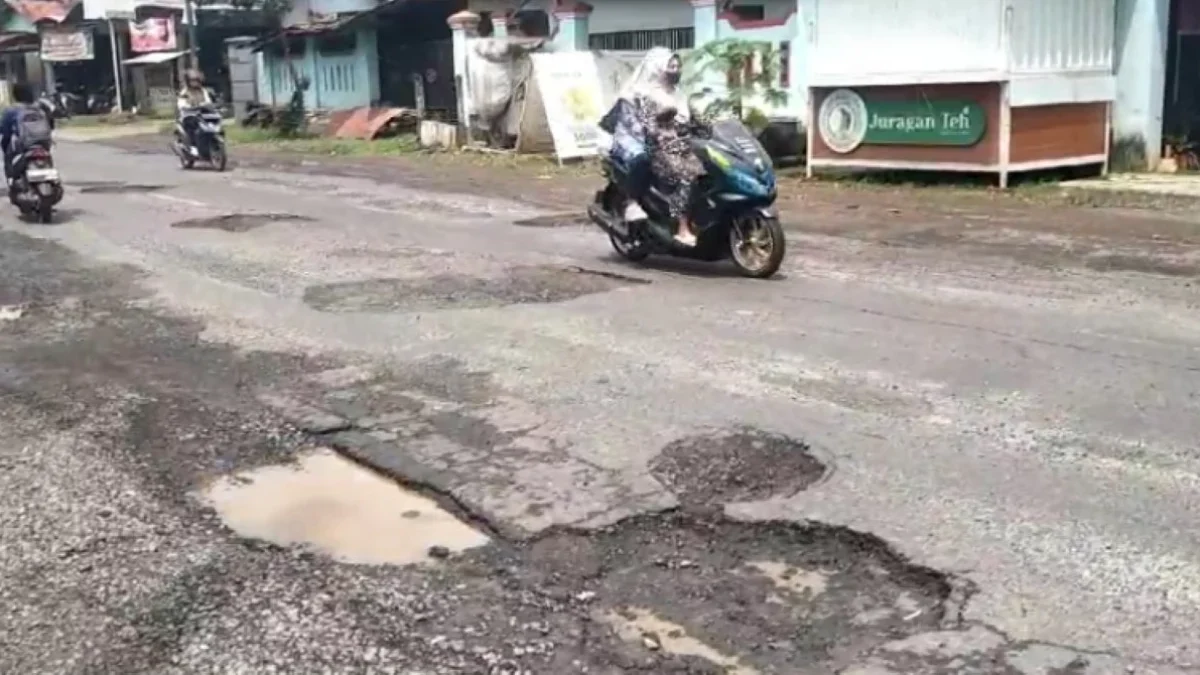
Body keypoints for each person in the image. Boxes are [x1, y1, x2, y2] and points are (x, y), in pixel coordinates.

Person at [624, 48, 703, 247]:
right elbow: (646, 125)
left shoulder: (679, 94)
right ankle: (682, 227)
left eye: (678, 66)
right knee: (686, 177)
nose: (676, 70)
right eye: (671, 66)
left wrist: (710, 121)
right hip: (657, 148)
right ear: (658, 69)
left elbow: (693, 118)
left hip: (682, 145)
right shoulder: (646, 94)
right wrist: (662, 120)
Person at [0, 82, 54, 189]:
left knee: (8, 156)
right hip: (43, 141)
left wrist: (5, 145)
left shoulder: (11, 110)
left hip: (24, 143)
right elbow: (51, 124)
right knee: (47, 155)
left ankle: (12, 181)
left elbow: (5, 131)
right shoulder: (41, 107)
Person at [177, 69, 212, 155]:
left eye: (196, 80)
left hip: (201, 114)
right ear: (188, 81)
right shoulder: (185, 92)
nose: (195, 83)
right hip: (188, 115)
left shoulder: (203, 91)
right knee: (192, 126)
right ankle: (193, 147)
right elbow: (181, 104)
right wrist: (187, 107)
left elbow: (208, 101)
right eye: (192, 81)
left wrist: (206, 105)